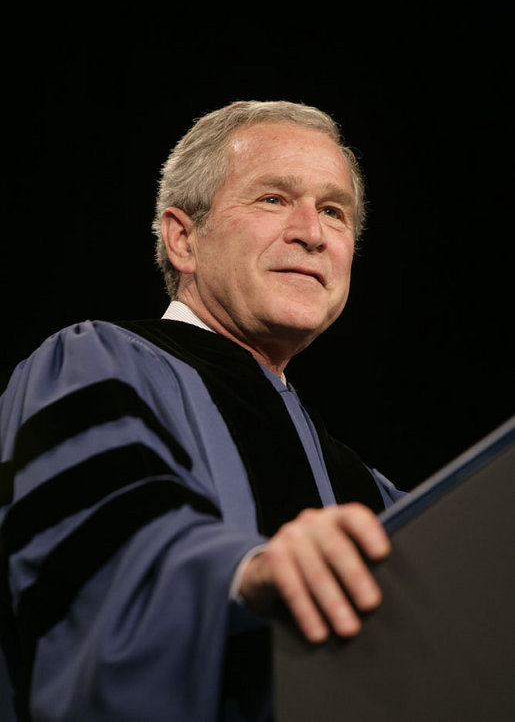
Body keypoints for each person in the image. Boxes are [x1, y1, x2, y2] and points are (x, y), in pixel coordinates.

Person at [0, 100, 405, 721]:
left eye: (333, 211)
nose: (312, 232)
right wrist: (249, 573)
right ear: (183, 238)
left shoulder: (365, 488)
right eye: (273, 199)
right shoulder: (95, 364)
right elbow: (101, 547)